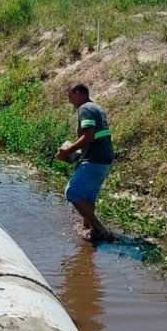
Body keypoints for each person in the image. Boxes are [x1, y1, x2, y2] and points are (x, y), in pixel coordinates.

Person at [56, 82, 115, 241]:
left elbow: (88, 136)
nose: (69, 101)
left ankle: (100, 229)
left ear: (78, 93)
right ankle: (88, 229)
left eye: (70, 97)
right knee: (88, 198)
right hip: (104, 159)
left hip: (94, 159)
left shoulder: (85, 109)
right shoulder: (96, 107)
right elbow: (95, 136)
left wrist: (67, 151)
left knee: (73, 192)